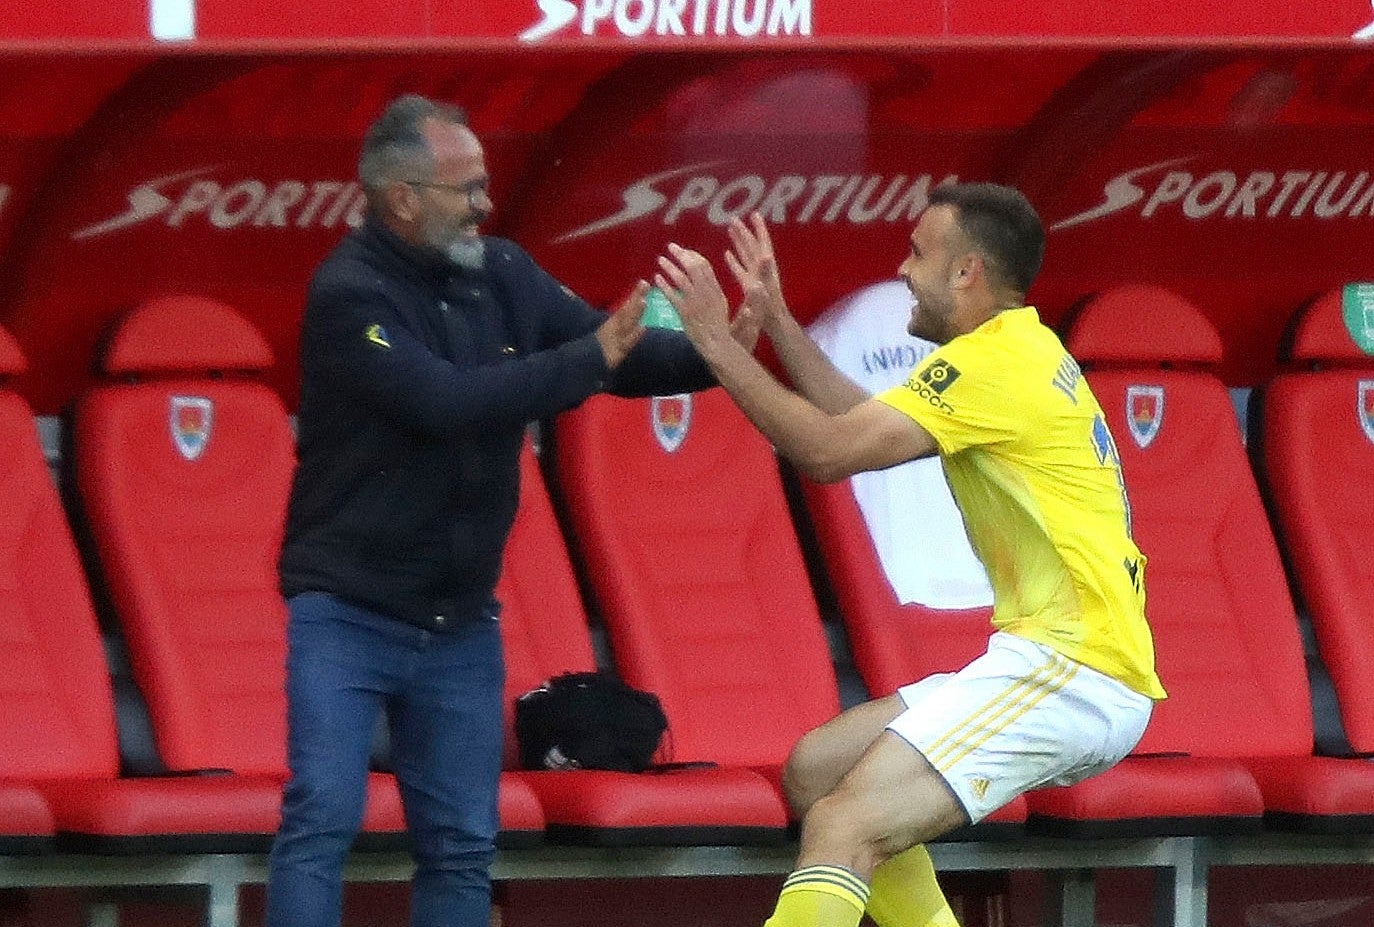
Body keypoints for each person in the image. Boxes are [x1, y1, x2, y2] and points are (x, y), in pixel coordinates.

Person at [268, 94, 749, 927]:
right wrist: (586, 358)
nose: (484, 205)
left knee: (460, 843)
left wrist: (726, 344)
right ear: (403, 198)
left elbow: (619, 354)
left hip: (458, 619)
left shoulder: (505, 271)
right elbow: (443, 401)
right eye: (466, 188)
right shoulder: (351, 293)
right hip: (348, 609)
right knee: (322, 820)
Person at [654, 183, 1166, 927]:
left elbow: (827, 454)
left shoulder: (995, 364)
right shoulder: (1012, 351)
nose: (902, 269)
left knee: (844, 826)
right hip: (1056, 661)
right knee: (818, 769)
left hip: (1075, 672)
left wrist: (717, 343)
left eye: (919, 252)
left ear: (966, 272)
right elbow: (854, 420)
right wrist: (780, 325)